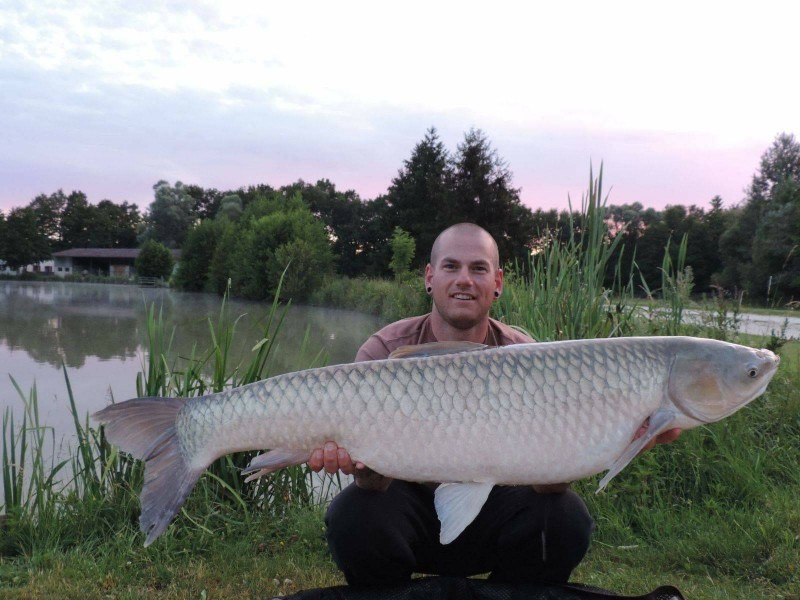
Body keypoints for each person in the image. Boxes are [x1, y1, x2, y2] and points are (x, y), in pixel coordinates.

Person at [308, 223, 680, 587]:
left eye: (478, 269)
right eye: (451, 266)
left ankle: (513, 590)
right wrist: (355, 463)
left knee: (565, 516)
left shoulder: (529, 358)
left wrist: (610, 444)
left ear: (497, 282)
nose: (464, 280)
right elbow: (372, 483)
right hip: (408, 512)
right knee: (354, 513)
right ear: (430, 277)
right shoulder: (385, 351)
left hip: (495, 512)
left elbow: (549, 486)